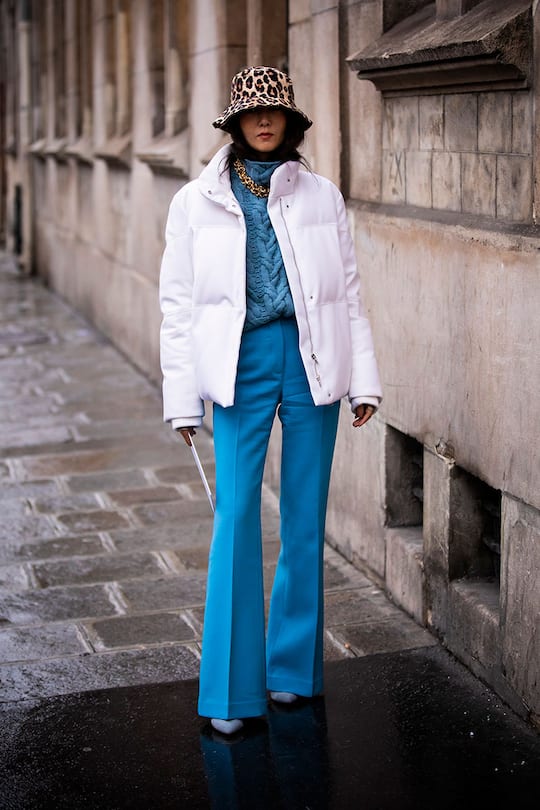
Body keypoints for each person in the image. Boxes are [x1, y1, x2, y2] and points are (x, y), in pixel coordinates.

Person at [159, 66, 382, 736]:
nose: (263, 122)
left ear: (290, 122)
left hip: (311, 360)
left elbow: (347, 291)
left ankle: (291, 673)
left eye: (274, 112)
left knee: (306, 519)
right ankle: (229, 694)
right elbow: (176, 307)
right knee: (235, 516)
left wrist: (364, 378)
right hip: (239, 362)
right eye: (251, 114)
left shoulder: (321, 195)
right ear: (233, 124)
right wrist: (182, 400)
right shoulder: (195, 202)